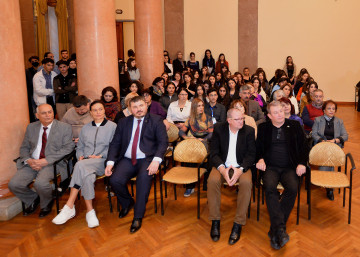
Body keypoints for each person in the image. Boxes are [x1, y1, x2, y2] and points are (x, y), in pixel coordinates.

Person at [105, 96, 168, 233]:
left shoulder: (156, 120)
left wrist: (156, 161)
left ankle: (138, 216)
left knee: (143, 181)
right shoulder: (123, 122)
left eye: (141, 106)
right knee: (115, 180)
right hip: (127, 159)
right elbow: (115, 143)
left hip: (147, 158)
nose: (138, 109)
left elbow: (163, 143)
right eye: (135, 107)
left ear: (146, 105)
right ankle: (127, 203)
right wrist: (110, 163)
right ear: (130, 109)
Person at [52, 101, 117, 228]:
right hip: (85, 163)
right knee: (86, 176)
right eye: (95, 110)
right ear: (90, 113)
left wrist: (101, 155)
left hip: (102, 161)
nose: (98, 112)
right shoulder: (86, 128)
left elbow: (115, 147)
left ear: (104, 111)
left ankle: (69, 205)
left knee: (79, 166)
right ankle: (90, 211)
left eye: (100, 109)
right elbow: (80, 146)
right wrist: (79, 156)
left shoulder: (113, 127)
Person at [256, 101, 308, 250]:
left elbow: (305, 146)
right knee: (269, 187)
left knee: (292, 187)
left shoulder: (295, 126)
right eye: (276, 112)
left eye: (282, 110)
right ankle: (280, 229)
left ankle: (276, 229)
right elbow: (258, 148)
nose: (281, 114)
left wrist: (302, 163)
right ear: (269, 116)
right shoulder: (263, 128)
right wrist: (259, 159)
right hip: (270, 167)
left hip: (289, 167)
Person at [8, 104, 74, 218]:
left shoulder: (64, 127)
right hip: (32, 163)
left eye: (50, 112)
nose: (48, 115)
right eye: (44, 113)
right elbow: (24, 147)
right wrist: (29, 160)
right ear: (37, 115)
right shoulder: (31, 127)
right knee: (14, 184)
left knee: (40, 183)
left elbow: (68, 148)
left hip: (53, 163)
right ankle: (34, 199)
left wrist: (46, 160)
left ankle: (46, 203)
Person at [208, 108, 255, 245]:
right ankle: (215, 221)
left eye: (242, 118)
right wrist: (222, 170)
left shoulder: (249, 131)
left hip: (241, 166)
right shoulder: (218, 129)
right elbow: (214, 153)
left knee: (246, 184)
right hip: (223, 165)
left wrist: (240, 170)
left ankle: (238, 224)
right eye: (237, 119)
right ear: (229, 120)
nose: (241, 121)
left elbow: (251, 155)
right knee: (212, 180)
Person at [312, 100, 348, 200]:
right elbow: (314, 134)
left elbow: (345, 136)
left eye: (333, 109)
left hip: (334, 147)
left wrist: (335, 140)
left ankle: (328, 185)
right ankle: (329, 187)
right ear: (323, 110)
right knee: (327, 157)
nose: (331, 111)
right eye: (329, 108)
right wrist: (322, 141)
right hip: (321, 146)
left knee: (330, 156)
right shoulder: (318, 120)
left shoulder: (339, 121)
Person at [179, 98, 214, 197]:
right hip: (193, 140)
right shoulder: (190, 119)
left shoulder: (208, 118)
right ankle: (190, 187)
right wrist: (188, 138)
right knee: (190, 160)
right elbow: (181, 132)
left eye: (202, 105)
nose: (201, 108)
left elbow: (211, 134)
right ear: (194, 107)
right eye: (198, 106)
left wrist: (203, 140)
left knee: (208, 160)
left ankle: (206, 185)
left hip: (205, 140)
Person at [25, 56, 40, 122]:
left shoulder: (41, 70)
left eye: (36, 61)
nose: (34, 62)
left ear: (38, 61)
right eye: (33, 61)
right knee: (34, 108)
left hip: (41, 92)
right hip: (32, 92)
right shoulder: (27, 71)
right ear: (30, 63)